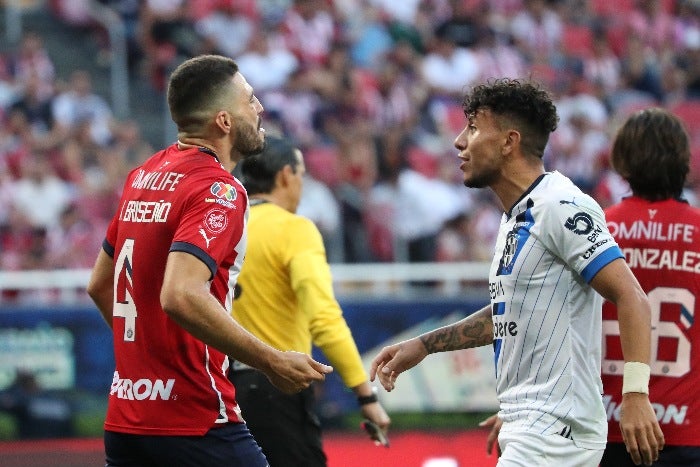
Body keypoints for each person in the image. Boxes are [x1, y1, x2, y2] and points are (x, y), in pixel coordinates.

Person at [369, 78, 664, 466]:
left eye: (473, 128)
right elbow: (510, 314)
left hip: (556, 433)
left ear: (509, 142)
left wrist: (636, 394)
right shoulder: (516, 218)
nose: (459, 141)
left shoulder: (561, 205)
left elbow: (632, 297)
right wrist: (425, 345)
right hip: (529, 425)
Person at [86, 55, 333, 467]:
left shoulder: (144, 175)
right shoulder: (218, 189)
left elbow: (99, 284)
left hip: (126, 420)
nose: (260, 110)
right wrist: (272, 361)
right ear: (224, 121)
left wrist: (149, 365)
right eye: (250, 100)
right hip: (194, 419)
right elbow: (180, 294)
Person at [230, 135, 391, 466]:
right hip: (277, 386)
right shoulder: (294, 230)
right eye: (301, 174)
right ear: (286, 175)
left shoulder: (222, 225)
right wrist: (365, 394)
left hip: (219, 388)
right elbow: (324, 318)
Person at [600, 108, 700, 465]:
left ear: (622, 162)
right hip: (688, 429)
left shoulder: (595, 230)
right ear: (682, 162)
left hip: (607, 425)